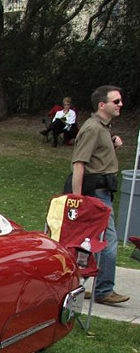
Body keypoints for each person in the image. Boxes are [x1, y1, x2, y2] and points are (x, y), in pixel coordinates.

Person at [70, 84, 128, 305]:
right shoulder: (93, 128)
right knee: (108, 241)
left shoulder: (103, 128)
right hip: (96, 194)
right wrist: (77, 199)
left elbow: (97, 157)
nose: (121, 104)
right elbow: (78, 164)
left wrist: (112, 145)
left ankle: (79, 283)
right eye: (116, 101)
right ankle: (103, 289)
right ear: (102, 105)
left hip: (103, 191)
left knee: (90, 242)